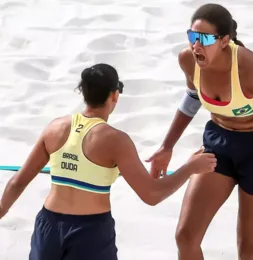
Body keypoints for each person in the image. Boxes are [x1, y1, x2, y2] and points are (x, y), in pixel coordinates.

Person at [0, 63, 217, 260]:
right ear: (114, 96)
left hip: (48, 226)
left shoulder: (54, 128)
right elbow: (152, 195)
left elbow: (17, 182)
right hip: (89, 231)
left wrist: (1, 210)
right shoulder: (114, 140)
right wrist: (190, 168)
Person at [146, 3, 253, 260]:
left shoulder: (248, 67)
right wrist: (167, 146)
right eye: (192, 36)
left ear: (224, 41)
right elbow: (192, 98)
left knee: (247, 249)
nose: (196, 45)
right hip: (220, 141)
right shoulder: (187, 59)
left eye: (204, 39)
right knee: (185, 237)